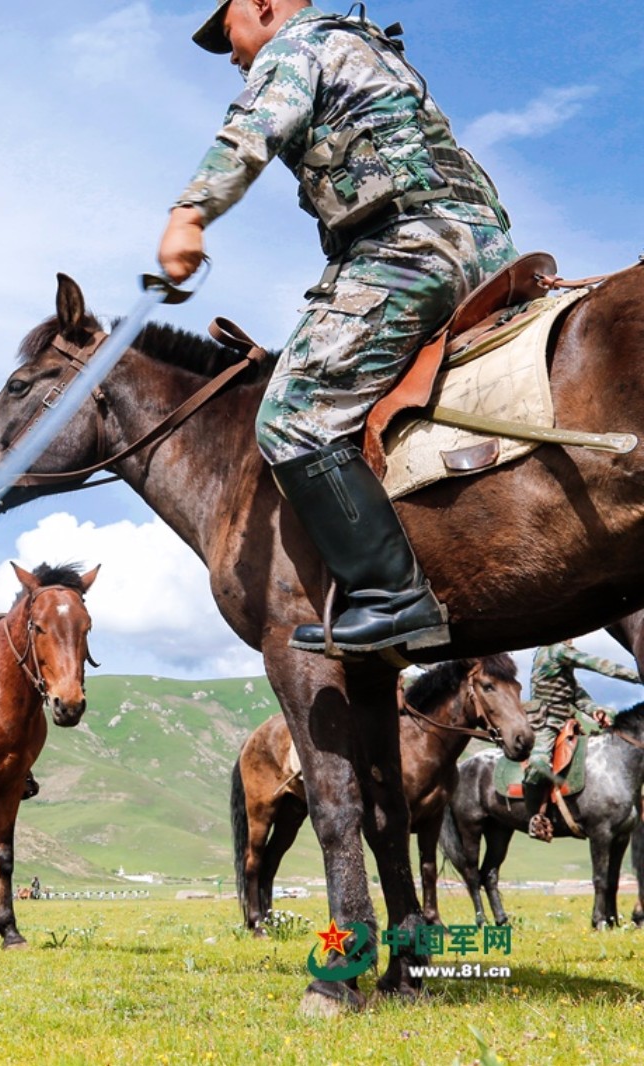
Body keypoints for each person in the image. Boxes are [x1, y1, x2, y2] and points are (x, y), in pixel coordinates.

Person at [158, 0, 515, 657]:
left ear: (262, 6)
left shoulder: (296, 47)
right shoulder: (366, 44)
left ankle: (393, 596)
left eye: (229, 33)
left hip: (409, 247)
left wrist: (190, 214)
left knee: (292, 416)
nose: (234, 54)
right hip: (483, 245)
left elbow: (251, 129)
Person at [522, 640, 639, 841]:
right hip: (547, 723)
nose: (572, 640)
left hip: (566, 721)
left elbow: (577, 695)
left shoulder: (561, 658)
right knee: (538, 763)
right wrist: (639, 676)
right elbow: (600, 665)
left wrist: (597, 711)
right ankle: (535, 816)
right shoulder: (555, 650)